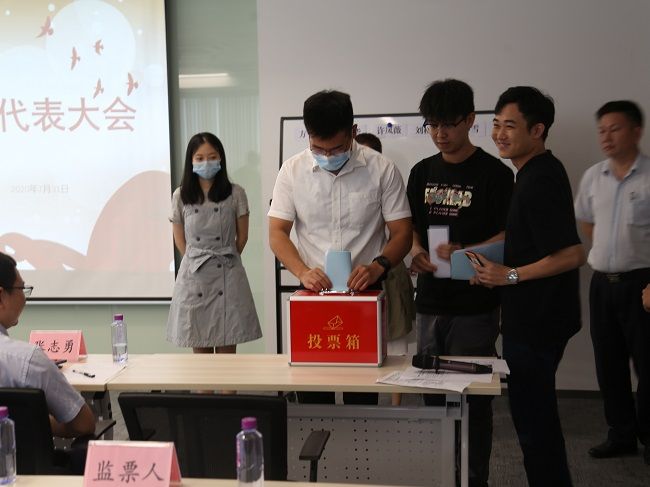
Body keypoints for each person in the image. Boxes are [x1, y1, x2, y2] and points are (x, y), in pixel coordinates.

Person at [472, 86, 585, 487]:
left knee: (534, 424)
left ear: (537, 130)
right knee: (534, 419)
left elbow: (572, 254)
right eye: (496, 124)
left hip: (537, 323)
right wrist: (486, 262)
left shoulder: (539, 180)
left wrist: (509, 276)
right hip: (537, 318)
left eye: (510, 126)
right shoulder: (534, 172)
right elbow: (531, 242)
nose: (499, 134)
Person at [269, 90, 412, 404]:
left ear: (353, 132)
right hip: (313, 296)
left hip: (364, 295)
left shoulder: (382, 169)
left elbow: (402, 233)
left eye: (336, 148)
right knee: (312, 395)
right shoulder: (292, 171)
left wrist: (378, 266)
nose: (327, 155)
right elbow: (277, 233)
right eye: (318, 147)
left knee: (362, 396)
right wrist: (302, 271)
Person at [407, 78, 514, 487]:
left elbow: (510, 234)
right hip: (429, 302)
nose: (440, 134)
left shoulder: (495, 174)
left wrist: (466, 251)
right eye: (432, 125)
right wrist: (416, 250)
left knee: (472, 397)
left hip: (475, 304)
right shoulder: (421, 172)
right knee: (431, 394)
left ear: (470, 120)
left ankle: (474, 478)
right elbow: (410, 227)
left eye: (448, 124)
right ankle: (440, 475)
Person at [574, 100, 650, 464]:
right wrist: (608, 252)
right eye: (601, 130)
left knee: (647, 365)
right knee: (609, 363)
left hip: (643, 284)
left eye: (614, 129)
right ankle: (621, 434)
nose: (606, 137)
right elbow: (586, 221)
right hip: (603, 284)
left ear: (636, 131)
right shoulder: (594, 176)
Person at [167, 132, 261, 355]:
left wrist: (226, 257)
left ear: (221, 158)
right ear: (191, 161)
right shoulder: (181, 195)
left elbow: (243, 237)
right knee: (201, 356)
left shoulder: (236, 193)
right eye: (199, 158)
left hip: (227, 272)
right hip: (195, 276)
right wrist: (196, 260)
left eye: (212, 157)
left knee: (228, 354)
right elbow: (179, 238)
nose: (206, 163)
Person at [0, 252, 95, 439]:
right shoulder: (28, 361)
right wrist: (36, 422)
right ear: (1, 297)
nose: (24, 298)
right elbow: (83, 424)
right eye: (22, 288)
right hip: (17, 459)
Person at [355, 132, 415, 407]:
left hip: (389, 271)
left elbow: (402, 232)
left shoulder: (388, 180)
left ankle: (396, 404)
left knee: (396, 341)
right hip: (357, 279)